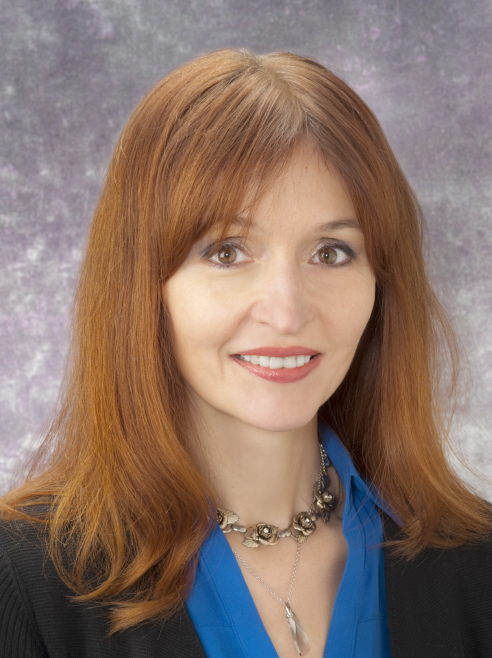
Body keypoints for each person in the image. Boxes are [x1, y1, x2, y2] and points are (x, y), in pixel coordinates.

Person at [0, 49, 491, 658]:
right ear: (143, 286)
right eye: (228, 251)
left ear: (381, 285)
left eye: (331, 252)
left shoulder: (477, 566)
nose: (286, 312)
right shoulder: (21, 579)